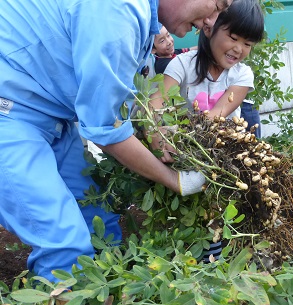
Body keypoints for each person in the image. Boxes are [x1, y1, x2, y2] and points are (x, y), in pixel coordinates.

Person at [0, 0, 232, 282]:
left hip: (49, 114)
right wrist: (174, 179)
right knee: (64, 245)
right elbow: (105, 127)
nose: (212, 21)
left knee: (100, 225)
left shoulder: (143, 20)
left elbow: (118, 99)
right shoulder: (118, 9)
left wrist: (157, 129)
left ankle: (104, 303)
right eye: (217, 5)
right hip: (10, 112)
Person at [149, 0, 263, 260]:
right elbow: (156, 104)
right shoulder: (182, 65)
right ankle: (198, 265)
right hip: (189, 156)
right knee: (192, 218)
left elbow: (214, 118)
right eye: (233, 37)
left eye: (247, 44)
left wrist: (179, 132)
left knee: (221, 214)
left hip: (223, 160)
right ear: (210, 28)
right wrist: (157, 131)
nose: (239, 49)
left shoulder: (241, 75)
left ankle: (221, 266)